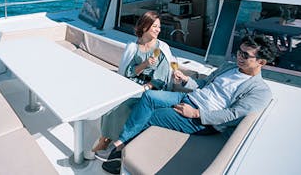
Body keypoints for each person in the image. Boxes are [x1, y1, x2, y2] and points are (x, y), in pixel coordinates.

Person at [101, 35, 277, 174]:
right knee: (148, 96)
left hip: (202, 120)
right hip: (189, 98)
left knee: (152, 115)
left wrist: (196, 114)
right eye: (239, 51)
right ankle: (121, 142)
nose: (239, 56)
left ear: (261, 62)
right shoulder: (228, 67)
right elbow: (205, 84)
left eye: (245, 55)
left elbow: (232, 115)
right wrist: (186, 81)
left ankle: (120, 157)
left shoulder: (260, 90)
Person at [91, 11, 174, 160]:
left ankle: (113, 142)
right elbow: (128, 72)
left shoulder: (161, 48)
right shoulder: (133, 46)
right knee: (110, 101)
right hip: (132, 82)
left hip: (150, 87)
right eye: (155, 26)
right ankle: (105, 137)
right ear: (144, 27)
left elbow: (160, 78)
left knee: (123, 104)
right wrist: (145, 64)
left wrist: (144, 88)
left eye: (159, 27)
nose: (158, 30)